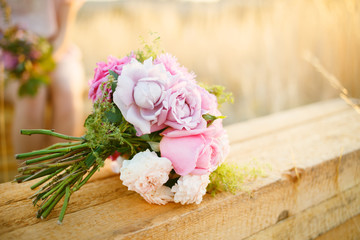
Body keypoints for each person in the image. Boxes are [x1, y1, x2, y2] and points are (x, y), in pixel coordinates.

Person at [0, 0, 85, 155]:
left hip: (57, 50)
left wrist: (42, 64)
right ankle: (29, 175)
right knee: (31, 94)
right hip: (7, 58)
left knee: (67, 90)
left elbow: (63, 36)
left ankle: (62, 170)